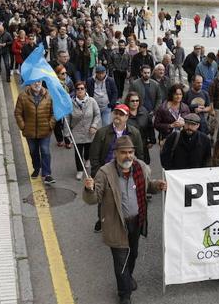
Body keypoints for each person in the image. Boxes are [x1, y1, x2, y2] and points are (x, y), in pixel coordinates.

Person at [83, 135, 167, 304]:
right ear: (115, 154)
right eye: (123, 152)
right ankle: (124, 294)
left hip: (136, 221)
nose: (128, 156)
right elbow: (93, 199)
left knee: (133, 254)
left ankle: (127, 278)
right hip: (116, 224)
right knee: (121, 259)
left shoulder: (141, 167)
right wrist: (89, 189)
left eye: (130, 152)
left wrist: (157, 185)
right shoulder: (105, 172)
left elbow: (147, 185)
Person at [89, 104, 145, 232]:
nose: (117, 116)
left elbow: (140, 153)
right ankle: (102, 219)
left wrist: (139, 171)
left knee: (126, 197)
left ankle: (124, 220)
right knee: (104, 198)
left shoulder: (134, 132)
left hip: (127, 172)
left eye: (121, 114)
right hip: (107, 172)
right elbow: (94, 155)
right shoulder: (102, 132)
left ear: (127, 116)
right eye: (116, 113)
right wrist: (97, 173)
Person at [14, 81, 56, 184]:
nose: (37, 84)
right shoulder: (23, 96)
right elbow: (18, 113)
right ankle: (37, 167)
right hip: (30, 131)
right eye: (34, 82)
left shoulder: (49, 95)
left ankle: (47, 174)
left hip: (45, 130)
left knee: (45, 150)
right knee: (33, 151)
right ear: (30, 84)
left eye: (39, 81)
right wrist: (23, 126)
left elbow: (54, 113)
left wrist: (50, 124)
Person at [65, 81, 101, 180]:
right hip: (76, 132)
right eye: (78, 89)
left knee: (88, 151)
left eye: (82, 88)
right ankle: (80, 170)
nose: (80, 90)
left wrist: (94, 126)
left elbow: (97, 115)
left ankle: (87, 159)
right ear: (75, 91)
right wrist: (67, 134)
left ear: (85, 90)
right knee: (78, 152)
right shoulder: (71, 103)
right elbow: (67, 118)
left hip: (90, 132)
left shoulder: (92, 101)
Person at [124, 91, 155, 164]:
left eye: (137, 100)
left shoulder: (144, 111)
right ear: (128, 102)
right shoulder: (124, 114)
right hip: (129, 146)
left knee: (144, 166)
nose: (135, 103)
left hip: (143, 145)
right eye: (132, 101)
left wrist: (152, 140)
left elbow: (150, 126)